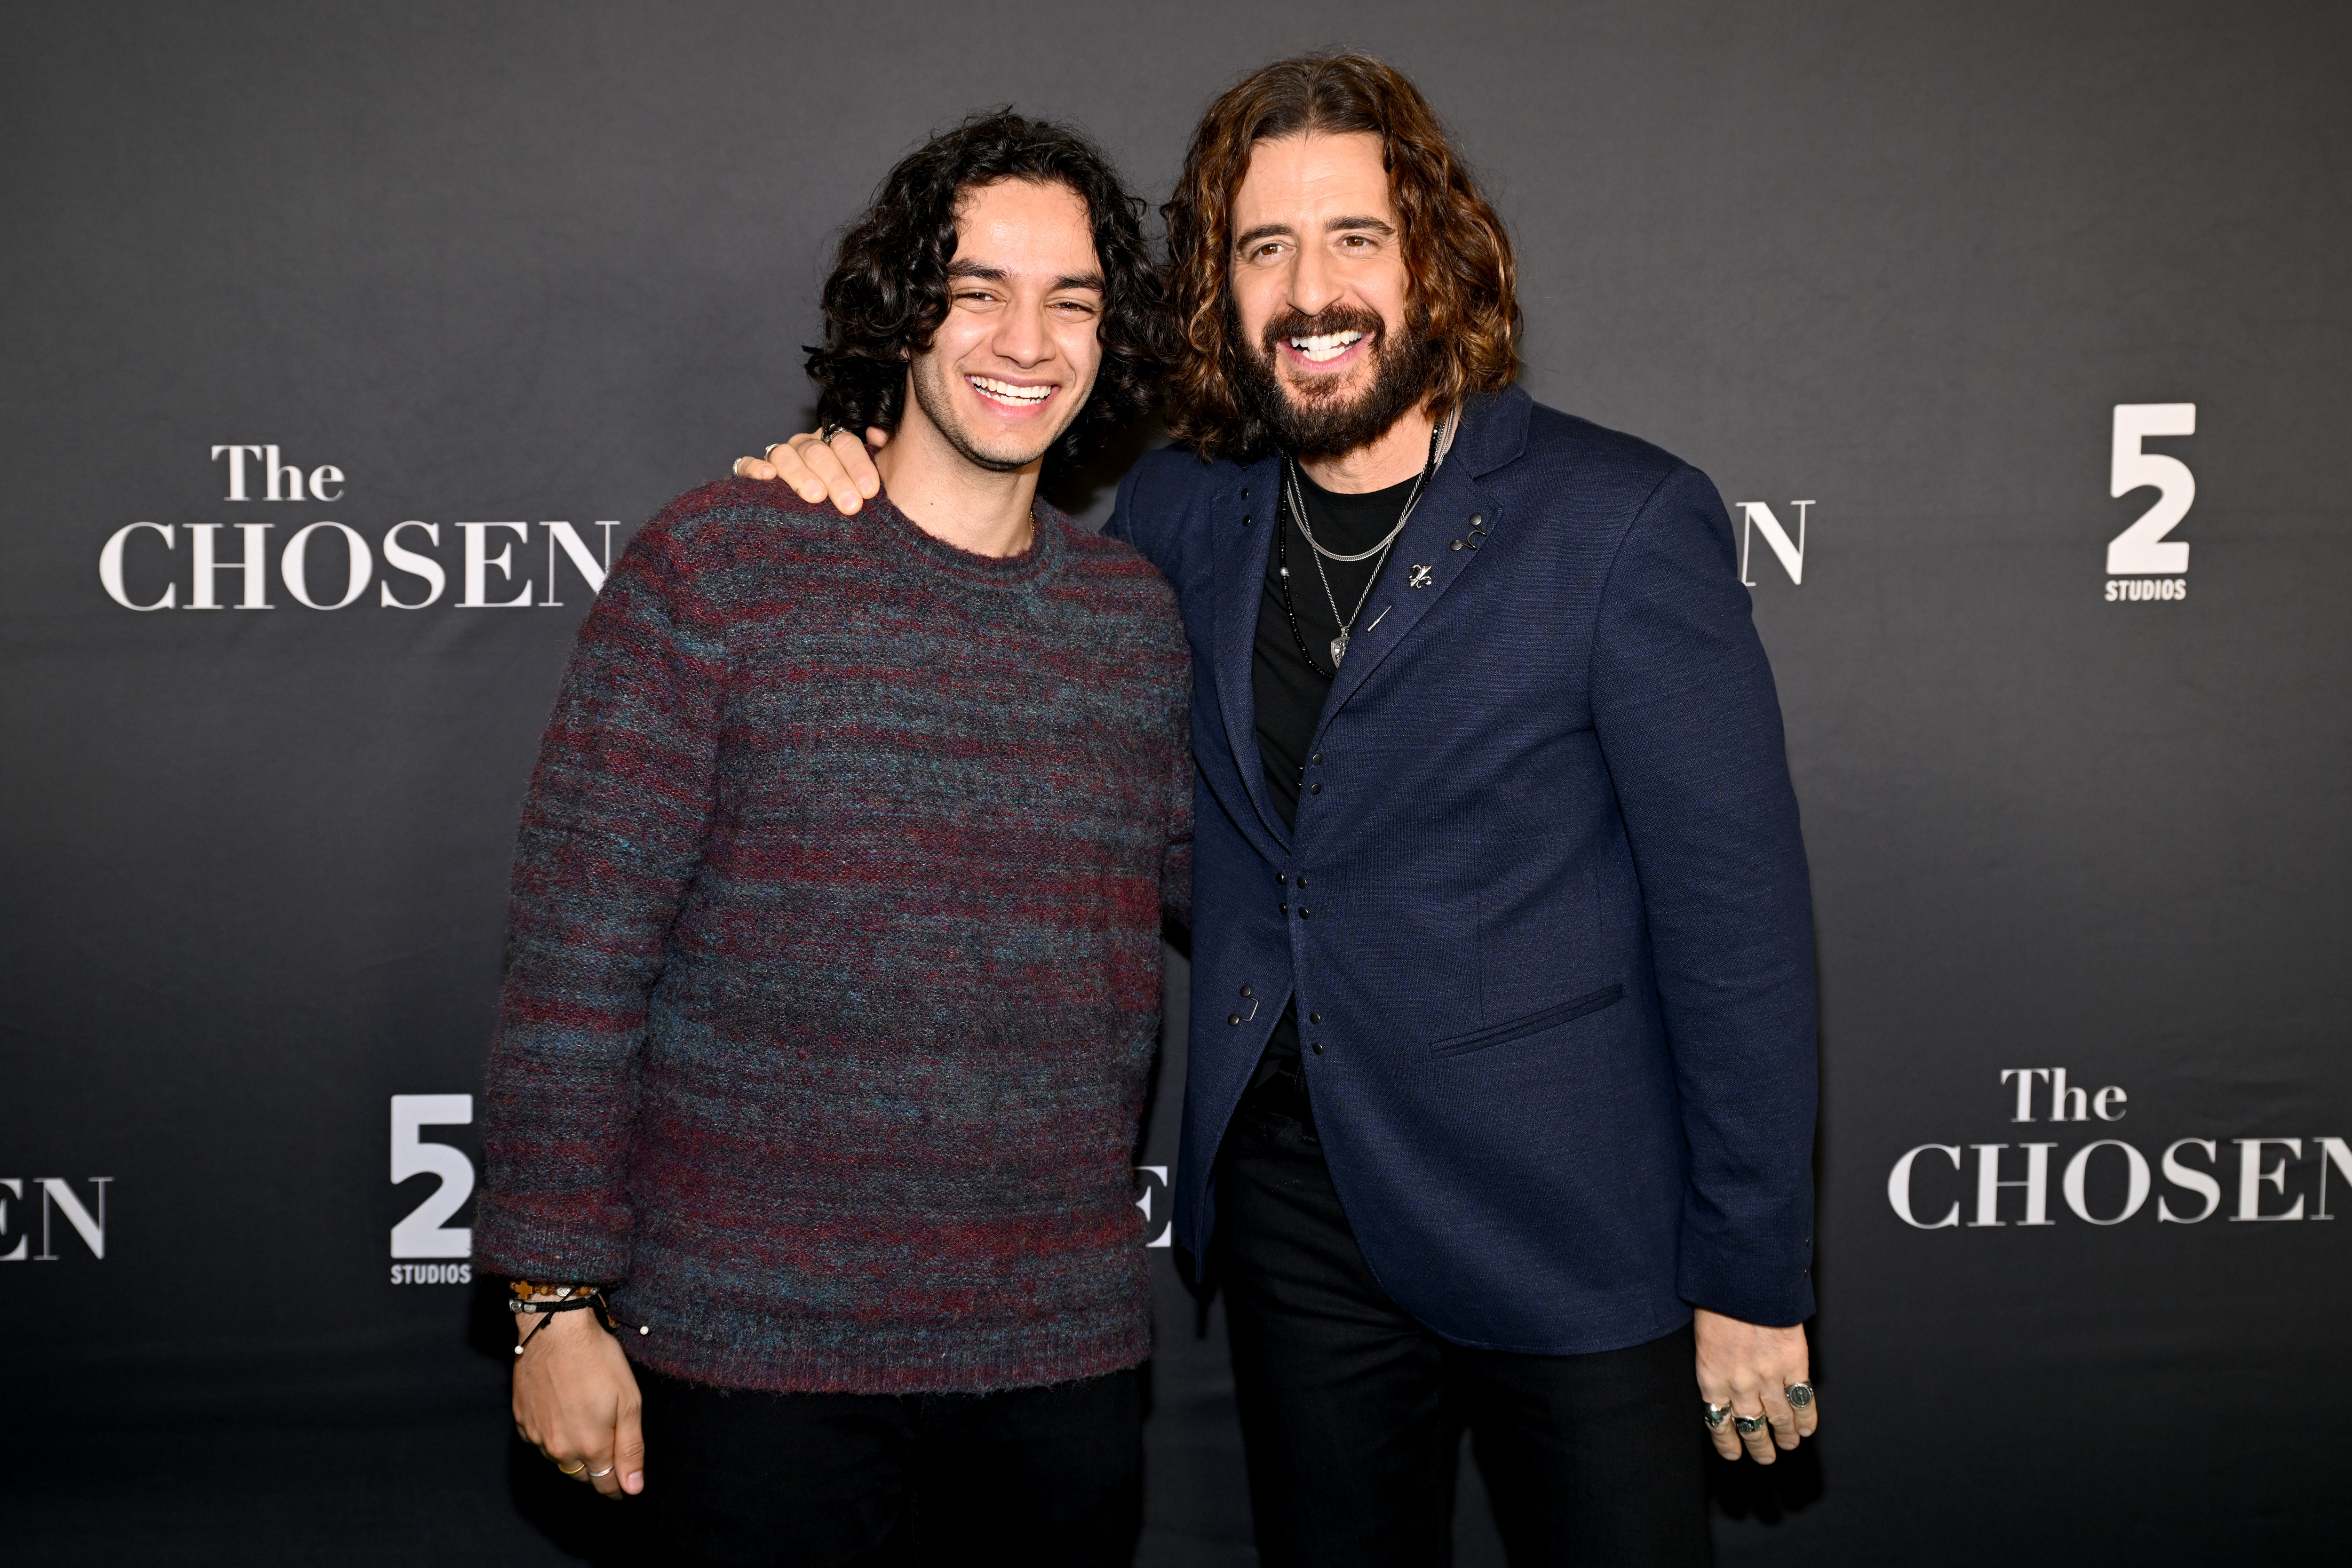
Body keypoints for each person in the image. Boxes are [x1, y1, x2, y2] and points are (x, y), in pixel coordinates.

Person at [746, 53, 1820, 1567]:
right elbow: (1010, 615)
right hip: (1298, 1220)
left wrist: (1751, 1273)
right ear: (1221, 284)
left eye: (1355, 238)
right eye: (1266, 248)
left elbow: (1738, 935)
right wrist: (844, 463)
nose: (1313, 292)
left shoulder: (1618, 521)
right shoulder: (1184, 510)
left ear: (1436, 256)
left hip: (1574, 1219)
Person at [477, 110, 1192, 1567]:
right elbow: (575, 964)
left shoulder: (1132, 623)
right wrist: (551, 1307)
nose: (1027, 340)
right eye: (978, 289)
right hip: (749, 1363)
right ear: (903, 310)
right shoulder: (719, 569)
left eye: (1072, 301)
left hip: (1058, 1358)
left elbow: (1246, 894)